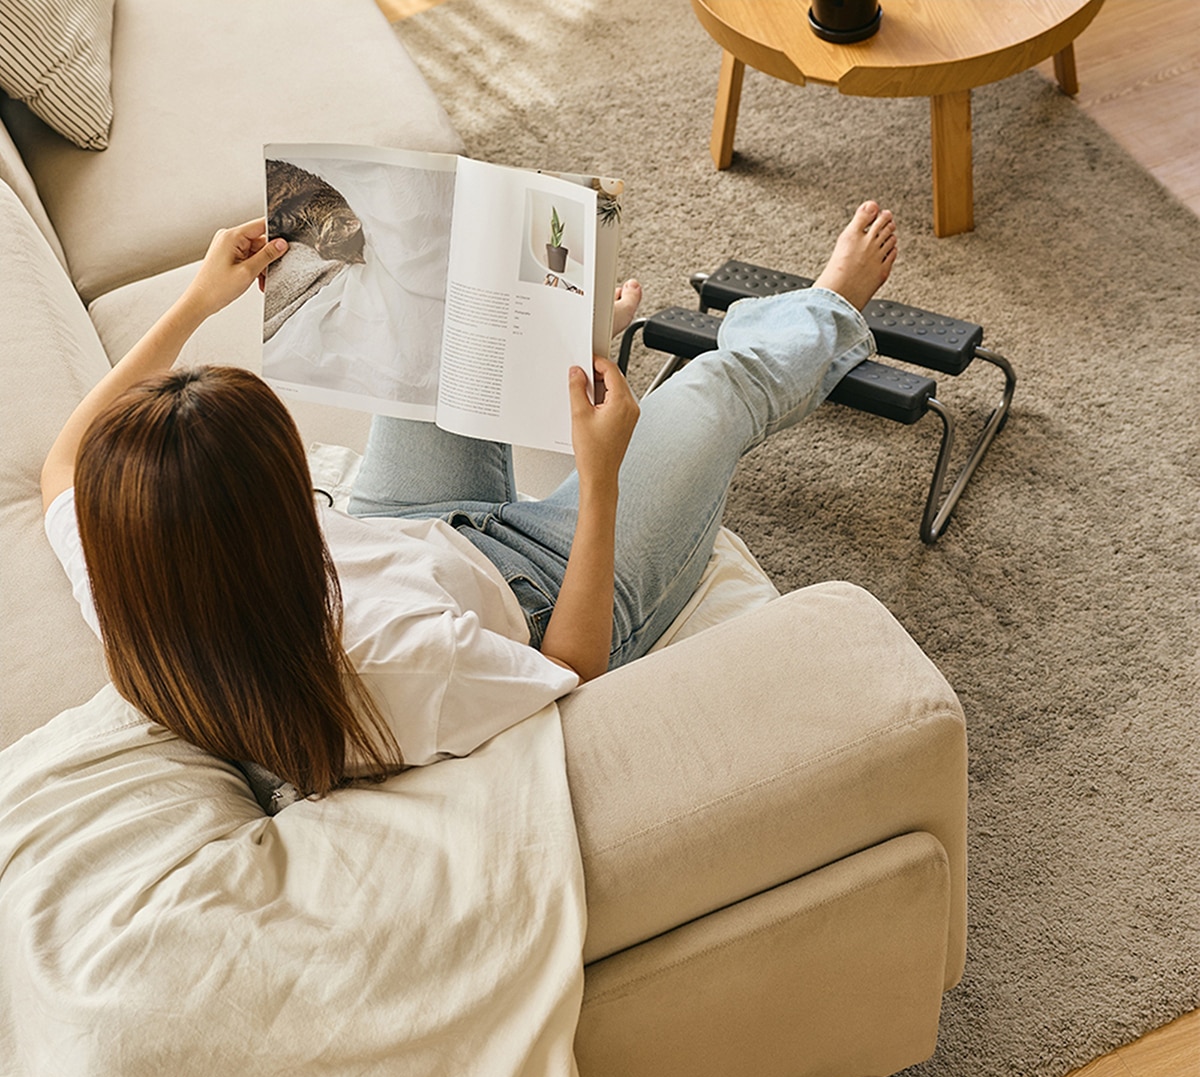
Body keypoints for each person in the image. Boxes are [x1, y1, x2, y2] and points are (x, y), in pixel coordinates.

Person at [41, 202, 898, 801]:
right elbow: (572, 671)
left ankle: (583, 336)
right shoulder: (397, 663)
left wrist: (197, 301)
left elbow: (65, 468)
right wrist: (598, 481)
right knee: (715, 392)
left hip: (400, 528)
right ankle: (827, 308)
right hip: (541, 586)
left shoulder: (136, 567)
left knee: (447, 328)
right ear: (272, 522)